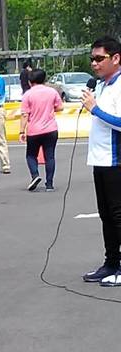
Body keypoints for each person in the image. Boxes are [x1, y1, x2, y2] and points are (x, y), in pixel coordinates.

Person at [81, 36, 121, 286]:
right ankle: (111, 262)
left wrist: (95, 109)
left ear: (115, 58)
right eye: (92, 59)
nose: (94, 64)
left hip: (116, 161)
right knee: (106, 215)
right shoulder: (103, 85)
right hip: (100, 159)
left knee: (118, 215)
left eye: (99, 58)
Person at [20, 68, 63, 191]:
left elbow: (24, 114)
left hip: (34, 130)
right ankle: (49, 184)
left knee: (31, 155)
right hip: (51, 129)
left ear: (29, 81)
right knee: (50, 156)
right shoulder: (52, 92)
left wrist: (22, 131)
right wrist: (49, 109)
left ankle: (35, 175)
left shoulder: (27, 94)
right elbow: (60, 107)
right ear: (44, 79)